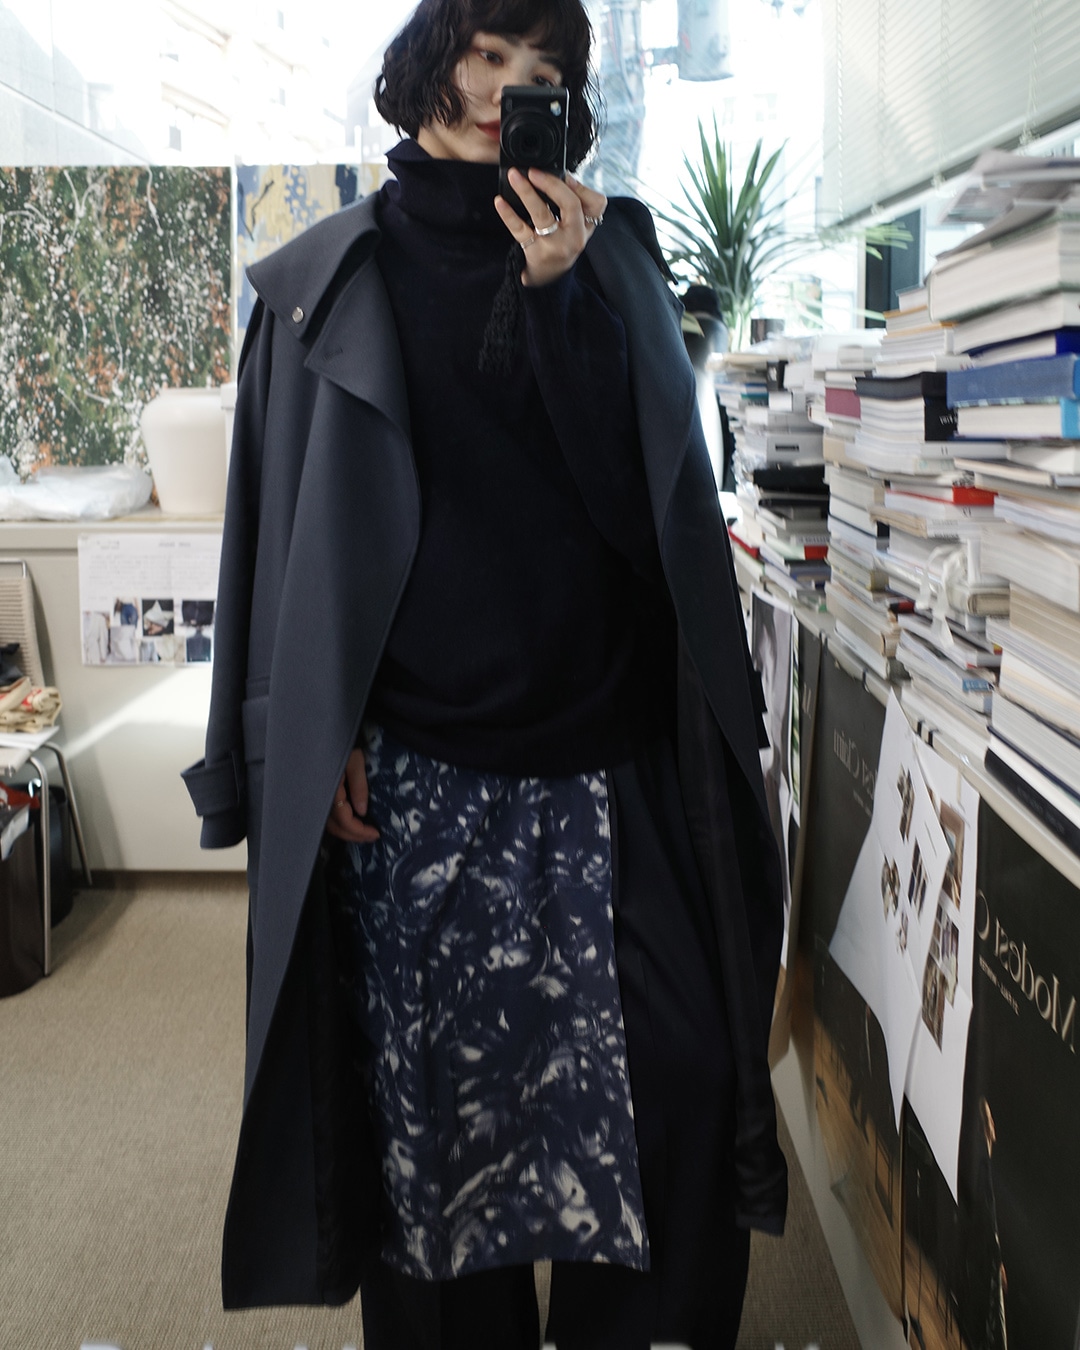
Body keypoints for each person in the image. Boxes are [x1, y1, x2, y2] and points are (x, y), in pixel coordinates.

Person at [182, 1, 787, 1345]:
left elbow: (648, 520)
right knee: (436, 1137)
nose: (507, 90)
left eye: (543, 71)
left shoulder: (616, 259)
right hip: (418, 775)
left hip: (612, 767)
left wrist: (563, 302)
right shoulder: (322, 284)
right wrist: (299, 736)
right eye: (489, 55)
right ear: (428, 68)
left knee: (678, 1091)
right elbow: (275, 547)